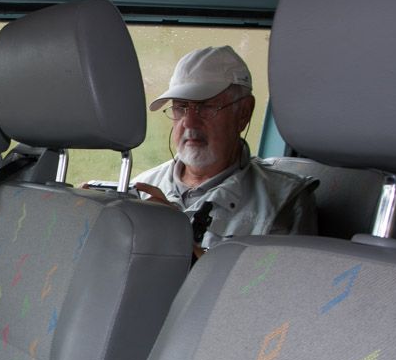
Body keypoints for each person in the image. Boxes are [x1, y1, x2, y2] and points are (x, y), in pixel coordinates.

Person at [132, 46, 317, 257]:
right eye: (180, 107)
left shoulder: (284, 202)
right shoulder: (139, 188)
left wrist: (178, 241)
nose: (189, 121)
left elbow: (274, 288)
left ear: (244, 113)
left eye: (206, 106)